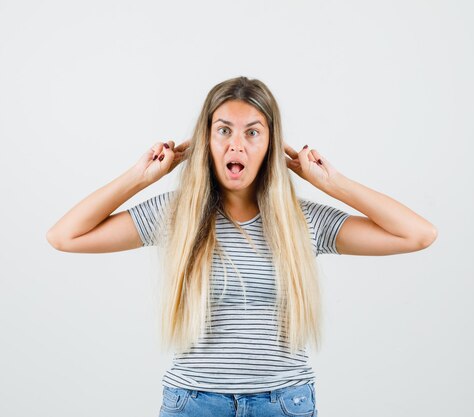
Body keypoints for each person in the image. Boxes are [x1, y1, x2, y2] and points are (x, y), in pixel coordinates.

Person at [46, 76, 437, 417]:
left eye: (252, 132)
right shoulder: (176, 215)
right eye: (223, 130)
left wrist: (330, 183)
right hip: (194, 404)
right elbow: (65, 236)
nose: (237, 145)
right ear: (206, 141)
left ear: (270, 145)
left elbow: (417, 234)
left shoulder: (303, 222)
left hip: (283, 404)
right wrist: (141, 176)